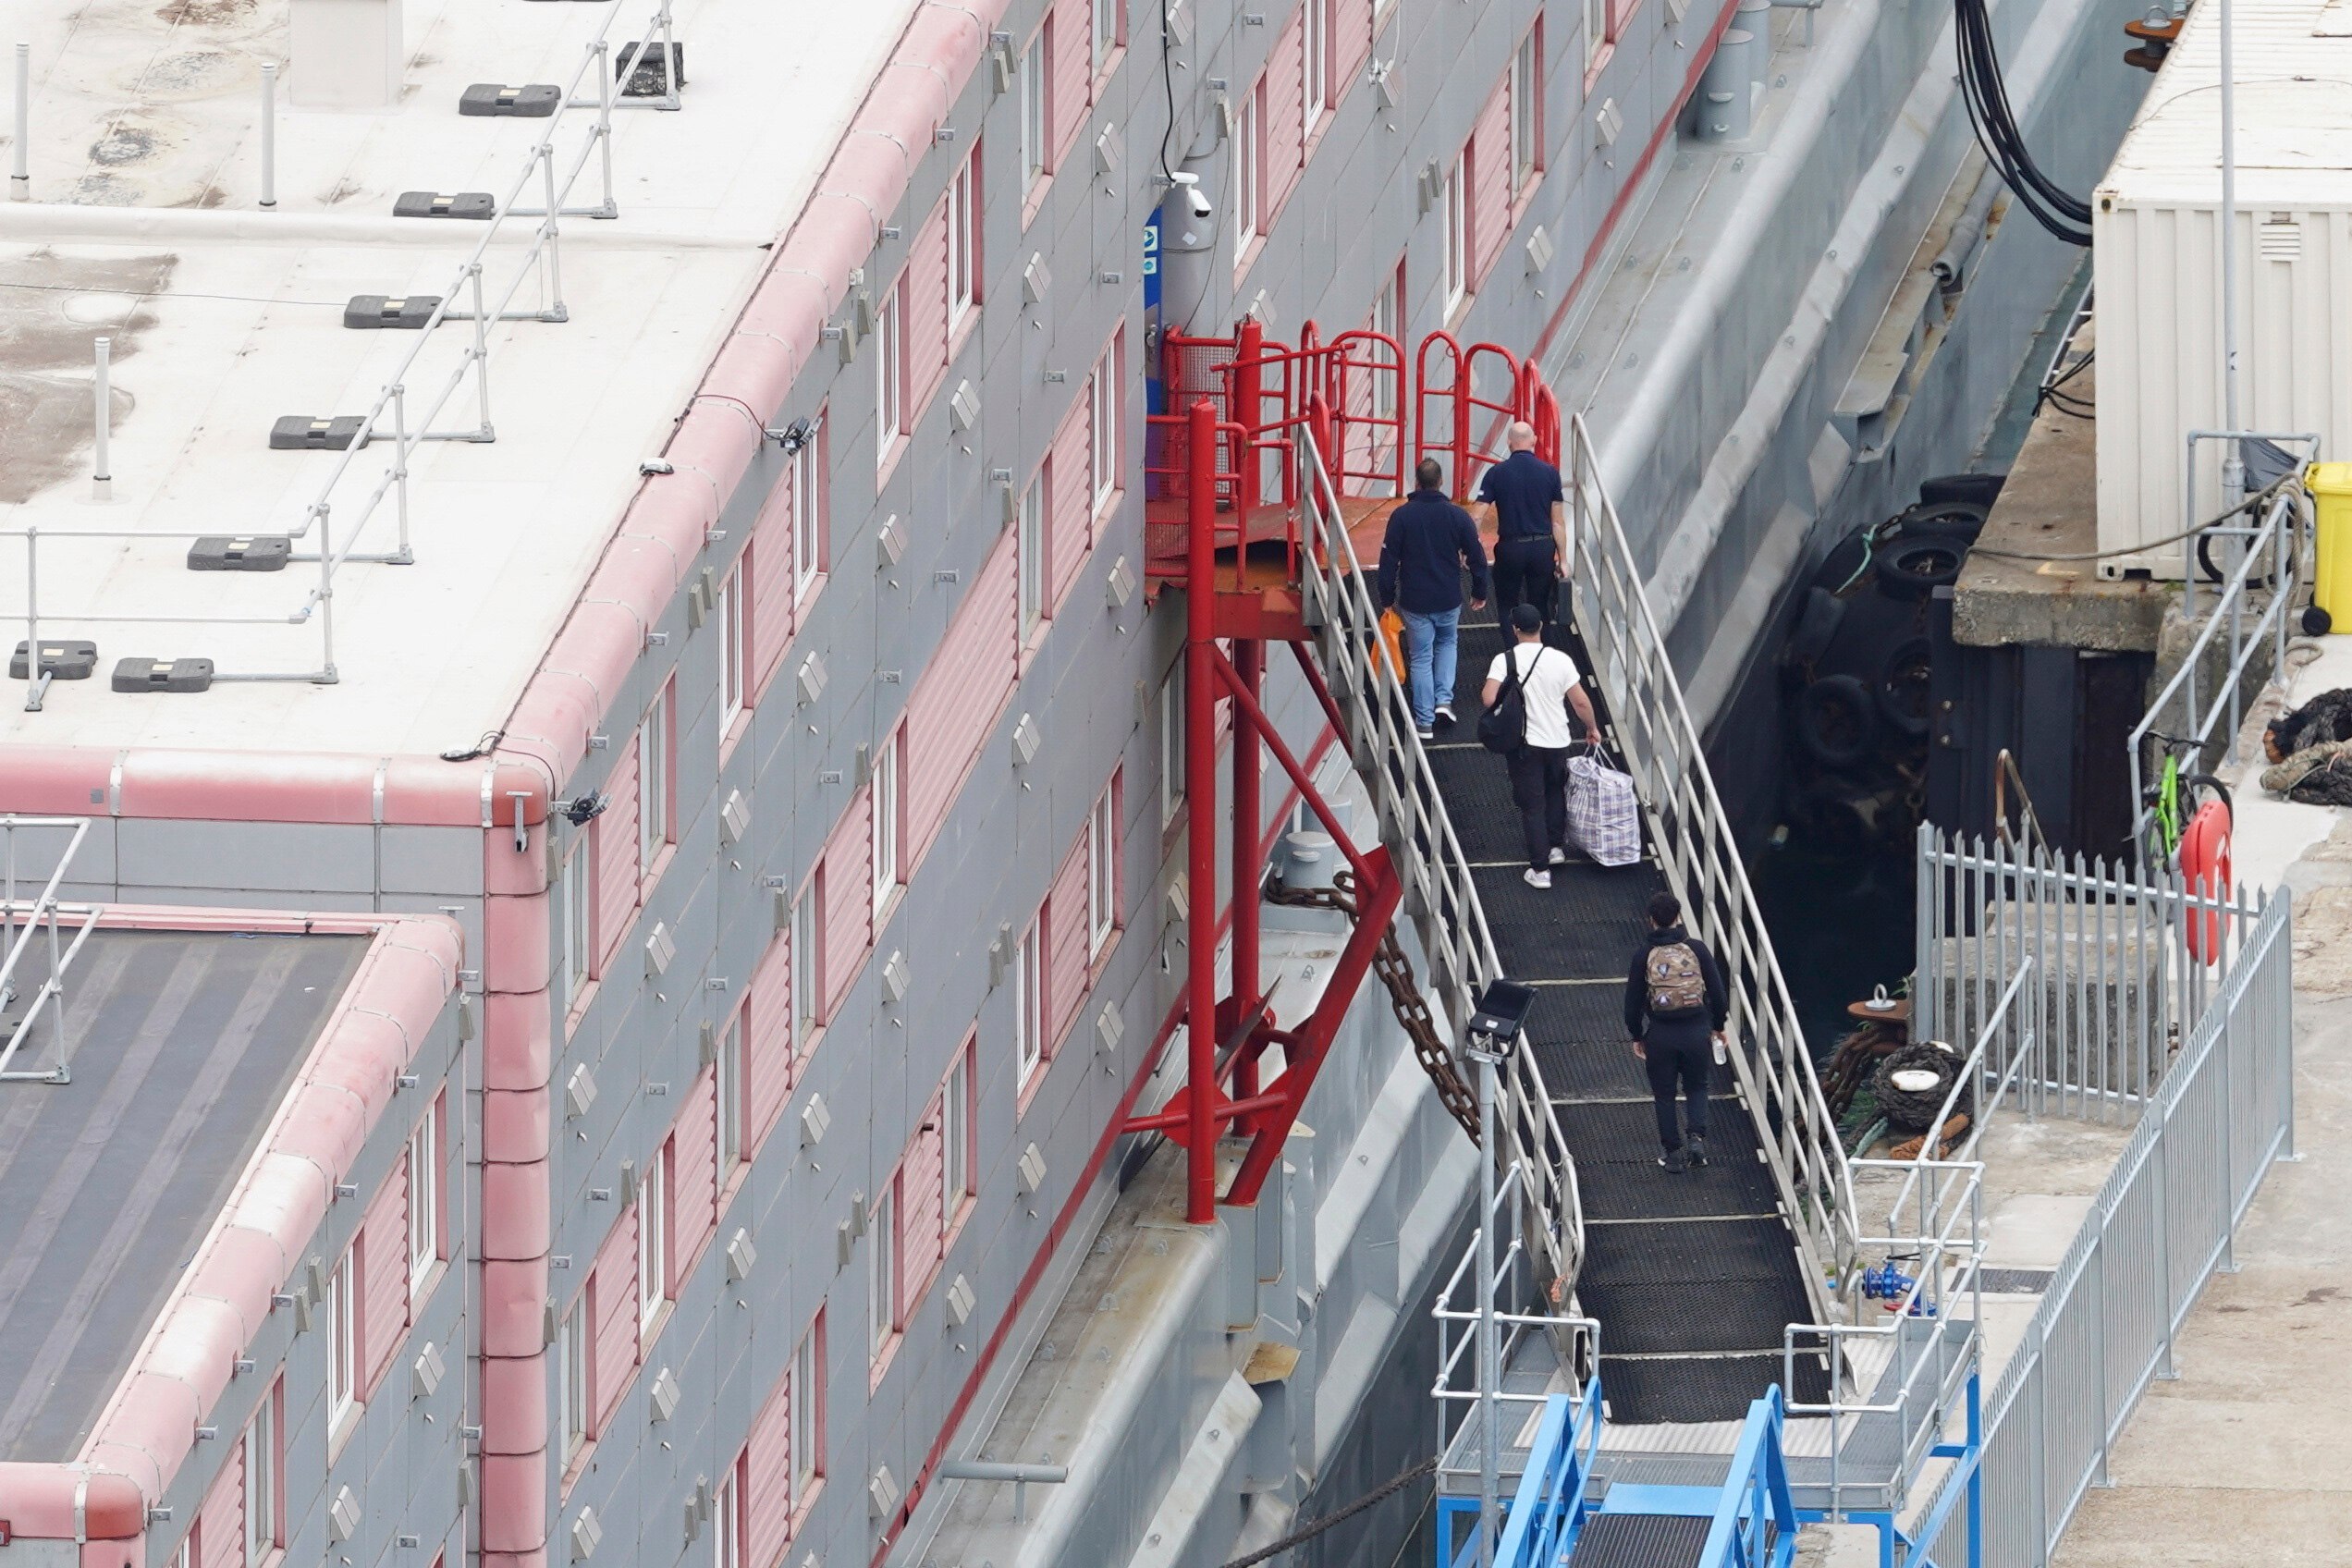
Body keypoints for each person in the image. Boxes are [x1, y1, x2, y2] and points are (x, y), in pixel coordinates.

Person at [1481, 603, 1599, 888]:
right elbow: (1580, 702)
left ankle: (1540, 869)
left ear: (1515, 629)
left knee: (1532, 805)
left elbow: (1488, 698)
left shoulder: (1505, 660)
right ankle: (1555, 847)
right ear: (1541, 627)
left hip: (1525, 743)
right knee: (1555, 791)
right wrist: (1591, 728)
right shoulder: (1561, 660)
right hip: (1558, 740)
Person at [1378, 456, 1489, 740]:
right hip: (1448, 597)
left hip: (1415, 601)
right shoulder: (1457, 516)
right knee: (1447, 643)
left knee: (1420, 657)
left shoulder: (1402, 517)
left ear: (1417, 483)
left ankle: (1424, 721)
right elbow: (1476, 556)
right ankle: (1443, 701)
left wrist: (1386, 597)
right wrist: (1479, 591)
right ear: (1441, 482)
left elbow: (1388, 561)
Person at [1623, 891, 1729, 1173]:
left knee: (1664, 1094)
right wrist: (1718, 1026)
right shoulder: (1697, 949)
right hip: (1697, 1031)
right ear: (1678, 916)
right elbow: (1718, 993)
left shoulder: (1643, 954)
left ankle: (1672, 1155)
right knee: (1697, 1086)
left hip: (1661, 1033)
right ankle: (1696, 1140)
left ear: (1651, 920)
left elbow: (1632, 1003)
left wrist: (1637, 1035)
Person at [1476, 421, 1568, 633]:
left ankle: (1513, 649)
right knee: (1540, 606)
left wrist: (1470, 547)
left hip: (1510, 548)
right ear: (1534, 441)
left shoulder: (1495, 473)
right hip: (1542, 548)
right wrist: (1563, 559)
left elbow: (1477, 516)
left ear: (1509, 442)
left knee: (1507, 605)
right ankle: (1541, 649)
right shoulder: (1550, 473)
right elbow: (1557, 521)